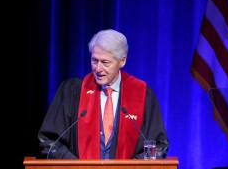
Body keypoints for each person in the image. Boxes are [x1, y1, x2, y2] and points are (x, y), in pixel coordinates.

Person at [38, 29, 169, 159]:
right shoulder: (72, 92)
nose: (98, 68)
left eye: (105, 62)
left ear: (122, 61)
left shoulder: (142, 93)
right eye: (95, 61)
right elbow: (48, 142)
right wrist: (77, 167)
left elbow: (157, 146)